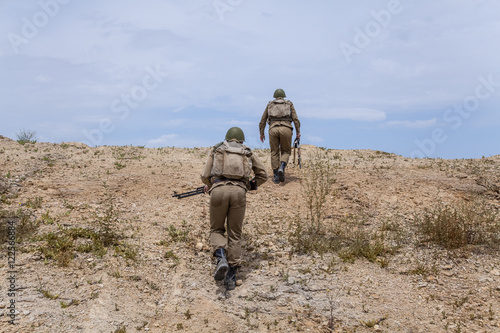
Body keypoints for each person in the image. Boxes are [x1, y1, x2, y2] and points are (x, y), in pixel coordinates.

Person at [201, 127, 268, 290]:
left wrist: (211, 185)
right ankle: (231, 276)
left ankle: (221, 256)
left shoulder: (217, 149)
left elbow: (204, 175)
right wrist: (250, 186)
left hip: (218, 191)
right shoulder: (247, 151)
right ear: (241, 141)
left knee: (216, 230)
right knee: (235, 234)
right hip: (239, 193)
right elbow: (263, 175)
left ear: (227, 139)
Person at [259, 88, 301, 184]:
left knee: (274, 152)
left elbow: (262, 120)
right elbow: (295, 119)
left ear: (275, 96)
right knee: (286, 151)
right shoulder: (289, 104)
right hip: (286, 128)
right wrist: (298, 132)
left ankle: (276, 175)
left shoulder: (270, 104)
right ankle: (282, 166)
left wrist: (261, 133)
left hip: (273, 129)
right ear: (284, 96)